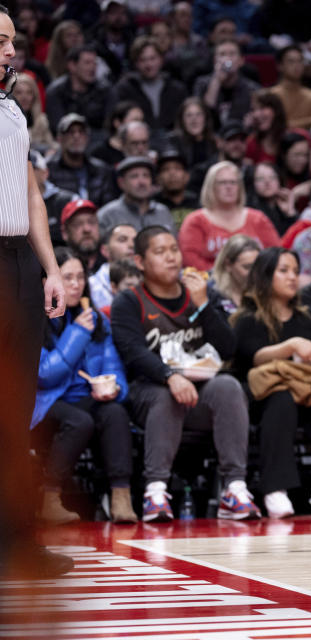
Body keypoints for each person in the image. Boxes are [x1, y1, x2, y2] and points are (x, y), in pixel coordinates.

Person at [111, 226, 260, 522]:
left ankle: (234, 489)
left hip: (198, 393)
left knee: (229, 386)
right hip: (148, 393)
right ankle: (155, 491)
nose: (170, 258)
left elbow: (229, 348)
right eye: (160, 252)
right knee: (166, 396)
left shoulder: (201, 293)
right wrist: (169, 375)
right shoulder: (129, 301)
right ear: (140, 262)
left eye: (174, 250)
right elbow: (133, 353)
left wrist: (203, 304)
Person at [0, 3, 74, 580]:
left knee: (16, 405)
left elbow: (30, 200)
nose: (10, 52)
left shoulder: (14, 115)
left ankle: (15, 541)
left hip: (18, 265)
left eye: (11, 42)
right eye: (1, 42)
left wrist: (50, 269)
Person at [232, 248, 311, 517]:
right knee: (280, 399)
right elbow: (253, 357)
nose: (292, 277)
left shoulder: (308, 317)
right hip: (264, 399)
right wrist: (292, 345)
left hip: (308, 393)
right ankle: (275, 490)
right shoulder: (247, 319)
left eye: (295, 270)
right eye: (284, 271)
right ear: (265, 276)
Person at [32, 247, 136, 525]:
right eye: (67, 278)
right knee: (79, 422)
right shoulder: (33, 318)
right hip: (45, 401)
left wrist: (116, 389)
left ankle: (121, 495)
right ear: (47, 281)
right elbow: (43, 375)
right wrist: (77, 332)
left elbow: (113, 366)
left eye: (80, 277)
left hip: (85, 395)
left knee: (115, 412)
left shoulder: (97, 318)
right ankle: (49, 498)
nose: (76, 284)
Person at [179, 161, 281, 270]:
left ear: (240, 187)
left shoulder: (258, 219)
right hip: (210, 282)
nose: (229, 187)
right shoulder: (195, 220)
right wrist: (223, 277)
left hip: (255, 281)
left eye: (233, 182)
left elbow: (275, 254)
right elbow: (189, 259)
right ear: (211, 186)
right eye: (223, 182)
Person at [97, 156, 176, 234]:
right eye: (134, 176)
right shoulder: (107, 215)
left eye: (146, 175)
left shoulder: (163, 212)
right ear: (121, 183)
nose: (142, 182)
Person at [209, 233, 260, 317]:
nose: (254, 273)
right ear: (228, 265)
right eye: (247, 267)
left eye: (258, 266)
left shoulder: (265, 290)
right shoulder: (213, 294)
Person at [88, 222, 136, 310]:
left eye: (135, 240)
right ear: (105, 250)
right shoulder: (90, 286)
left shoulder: (150, 281)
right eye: (122, 240)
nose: (131, 245)